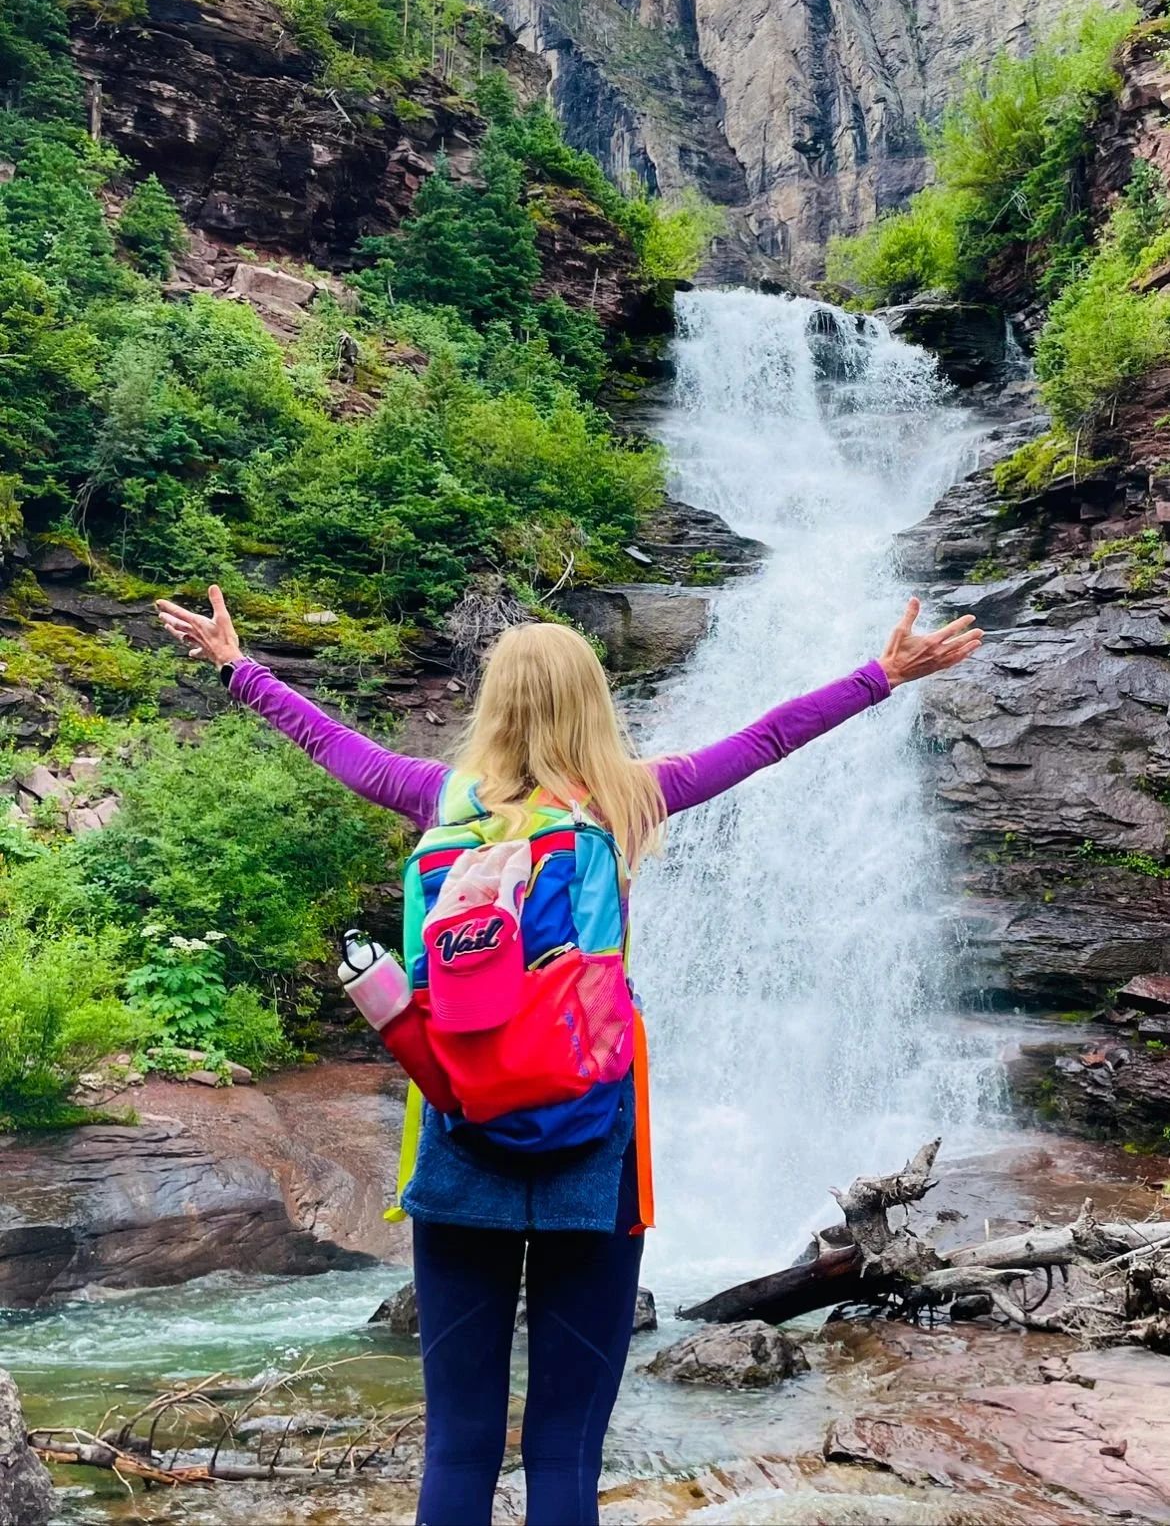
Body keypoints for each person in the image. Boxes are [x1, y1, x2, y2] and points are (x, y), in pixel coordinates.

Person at [156, 585, 982, 1526]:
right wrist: (884, 673)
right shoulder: (626, 799)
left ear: (493, 705)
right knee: (564, 1449)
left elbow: (332, 744)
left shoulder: (437, 798)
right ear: (593, 703)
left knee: (459, 1443)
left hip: (460, 1133)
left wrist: (238, 667)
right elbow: (765, 738)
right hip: (596, 1148)